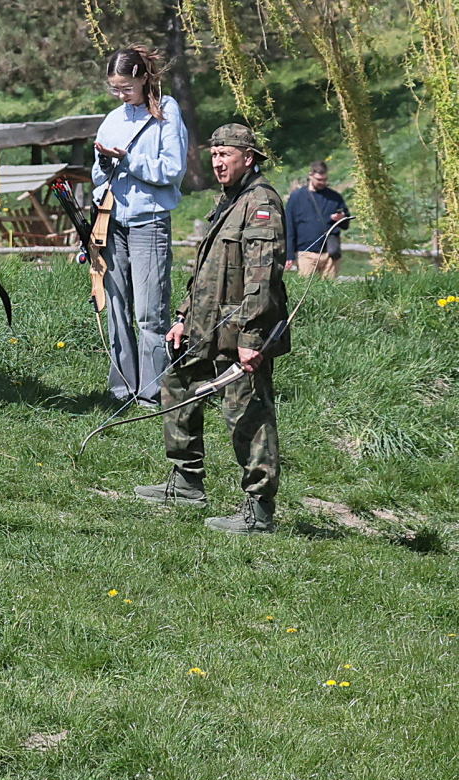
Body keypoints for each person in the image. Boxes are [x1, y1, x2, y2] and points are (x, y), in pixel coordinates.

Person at [138, 124, 288, 534]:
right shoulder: (229, 199)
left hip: (238, 334)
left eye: (226, 155)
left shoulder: (261, 203)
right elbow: (207, 270)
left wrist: (252, 338)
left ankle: (259, 511)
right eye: (215, 155)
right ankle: (187, 482)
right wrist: (183, 317)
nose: (218, 163)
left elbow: (262, 276)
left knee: (247, 415)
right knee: (178, 385)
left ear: (248, 158)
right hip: (204, 328)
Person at [91, 46, 189, 411]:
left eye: (126, 88)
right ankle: (121, 389)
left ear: (144, 78)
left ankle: (152, 391)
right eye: (114, 88)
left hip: (150, 222)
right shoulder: (112, 119)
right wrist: (105, 165)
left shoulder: (167, 111)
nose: (120, 95)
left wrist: (129, 159)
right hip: (113, 222)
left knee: (150, 311)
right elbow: (97, 174)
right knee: (116, 307)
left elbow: (172, 169)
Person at [285, 161, 350, 278]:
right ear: (310, 176)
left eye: (325, 179)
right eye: (319, 180)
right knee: (305, 287)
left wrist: (341, 218)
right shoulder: (296, 197)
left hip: (330, 254)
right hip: (306, 253)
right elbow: (289, 227)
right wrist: (289, 255)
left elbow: (346, 225)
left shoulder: (335, 197)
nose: (322, 183)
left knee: (330, 287)